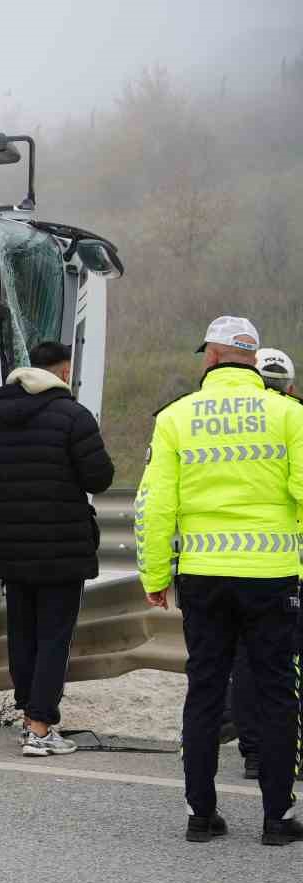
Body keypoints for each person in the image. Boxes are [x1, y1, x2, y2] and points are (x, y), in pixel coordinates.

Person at [138, 316, 303, 846]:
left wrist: (155, 573)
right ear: (253, 359)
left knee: (205, 690)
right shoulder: (289, 415)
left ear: (210, 357)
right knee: (277, 691)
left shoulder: (175, 418)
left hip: (204, 578)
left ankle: (201, 815)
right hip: (272, 576)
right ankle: (278, 818)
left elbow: (154, 505)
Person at [0, 339, 115, 756]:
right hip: (62, 547)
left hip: (13, 546)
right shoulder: (73, 415)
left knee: (24, 634)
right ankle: (40, 728)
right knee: (55, 636)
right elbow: (99, 479)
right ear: (64, 371)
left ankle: (27, 717)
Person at [225, 346, 299, 779]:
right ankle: (281, 759)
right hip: (281, 567)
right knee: (280, 672)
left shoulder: (215, 422)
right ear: (289, 388)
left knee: (244, 665)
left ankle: (254, 751)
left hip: (219, 564)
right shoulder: (294, 422)